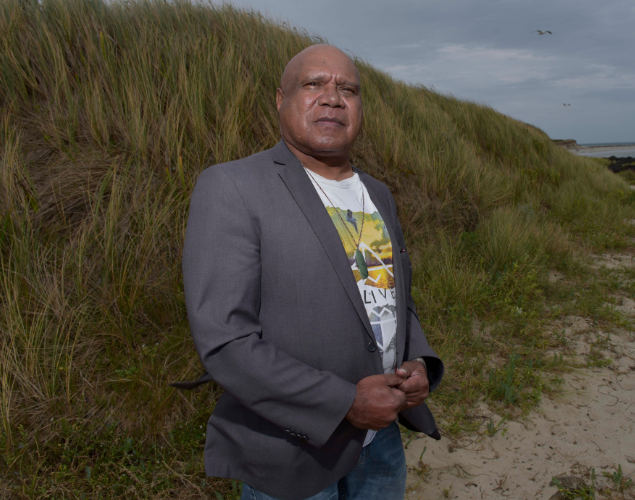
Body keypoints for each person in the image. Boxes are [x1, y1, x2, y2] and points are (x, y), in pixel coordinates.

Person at [178, 44, 444, 500]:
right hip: (291, 451)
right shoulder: (232, 186)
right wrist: (345, 404)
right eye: (313, 84)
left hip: (381, 442)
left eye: (348, 89)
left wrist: (417, 361)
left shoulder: (378, 193)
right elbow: (225, 340)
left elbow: (391, 297)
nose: (333, 98)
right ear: (280, 100)